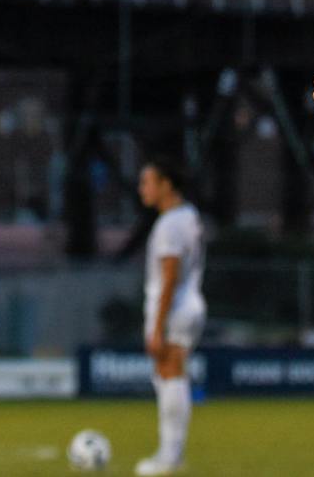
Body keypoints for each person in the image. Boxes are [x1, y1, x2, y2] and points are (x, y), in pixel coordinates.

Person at [134, 155, 206, 477]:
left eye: (147, 182)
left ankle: (170, 455)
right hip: (189, 303)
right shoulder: (189, 215)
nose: (142, 189)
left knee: (171, 374)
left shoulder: (169, 224)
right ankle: (170, 453)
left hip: (175, 308)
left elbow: (170, 274)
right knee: (169, 375)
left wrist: (158, 325)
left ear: (166, 184)